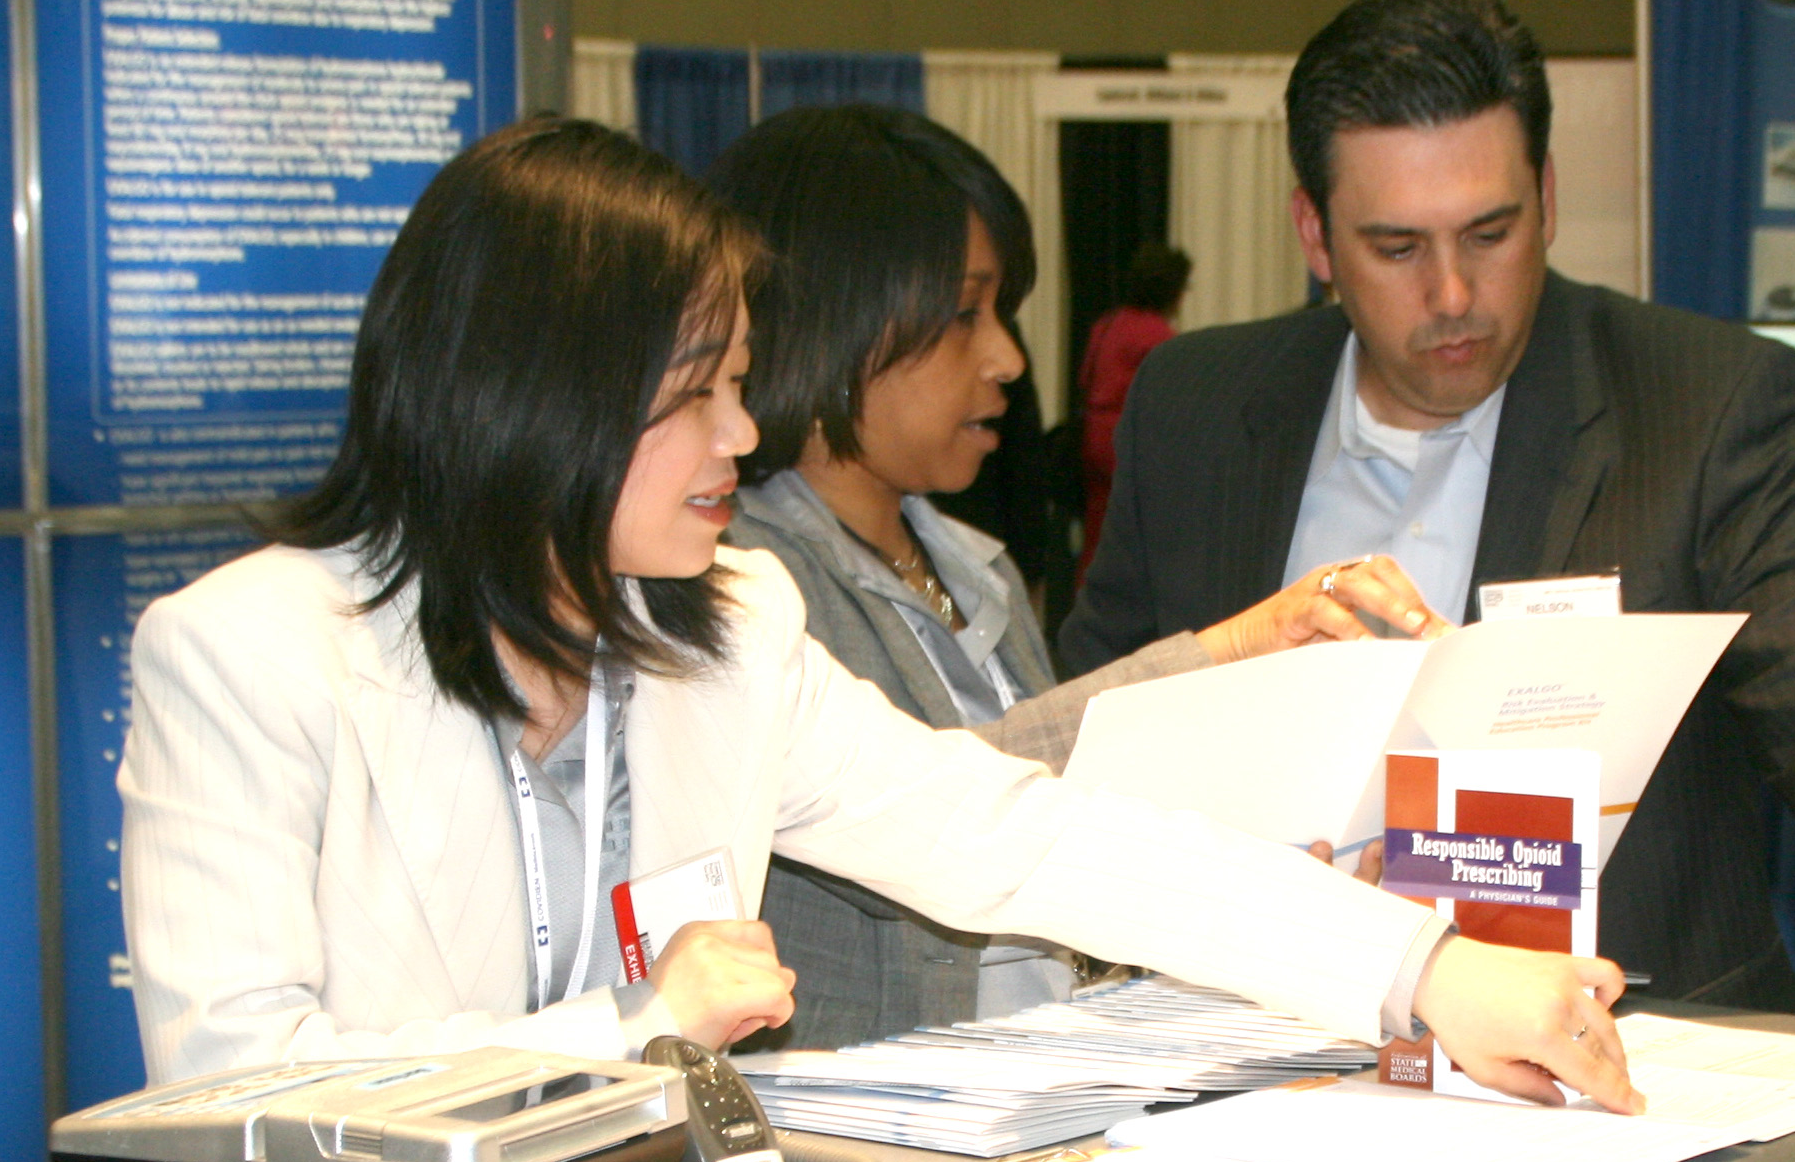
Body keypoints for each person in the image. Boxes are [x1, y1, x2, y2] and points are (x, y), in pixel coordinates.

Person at [115, 115, 1633, 1111]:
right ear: (545, 402)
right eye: (698, 395)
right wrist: (635, 1026)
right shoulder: (250, 657)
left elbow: (1031, 836)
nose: (744, 438)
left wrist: (1424, 968)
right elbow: (230, 1086)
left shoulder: (730, 631)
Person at [1065, 0, 1795, 1055]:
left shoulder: (1706, 403)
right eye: (1397, 249)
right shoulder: (1195, 405)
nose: (1452, 295)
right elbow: (1102, 716)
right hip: (1249, 1040)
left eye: (1491, 232)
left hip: (1616, 1051)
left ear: (1546, 192)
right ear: (1314, 232)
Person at [706, 106, 1435, 1046]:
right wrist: (1223, 654)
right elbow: (952, 813)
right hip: (872, 1143)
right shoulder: (747, 593)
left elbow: (1084, 845)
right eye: (964, 313)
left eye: (1001, 312)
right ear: (838, 319)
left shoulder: (983, 572)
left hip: (1059, 1103)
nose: (1008, 357)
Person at [1077, 238, 1190, 570]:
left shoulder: (1107, 324)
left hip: (1093, 438)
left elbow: (1085, 379)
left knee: (1096, 538)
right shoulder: (1159, 337)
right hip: (1130, 444)